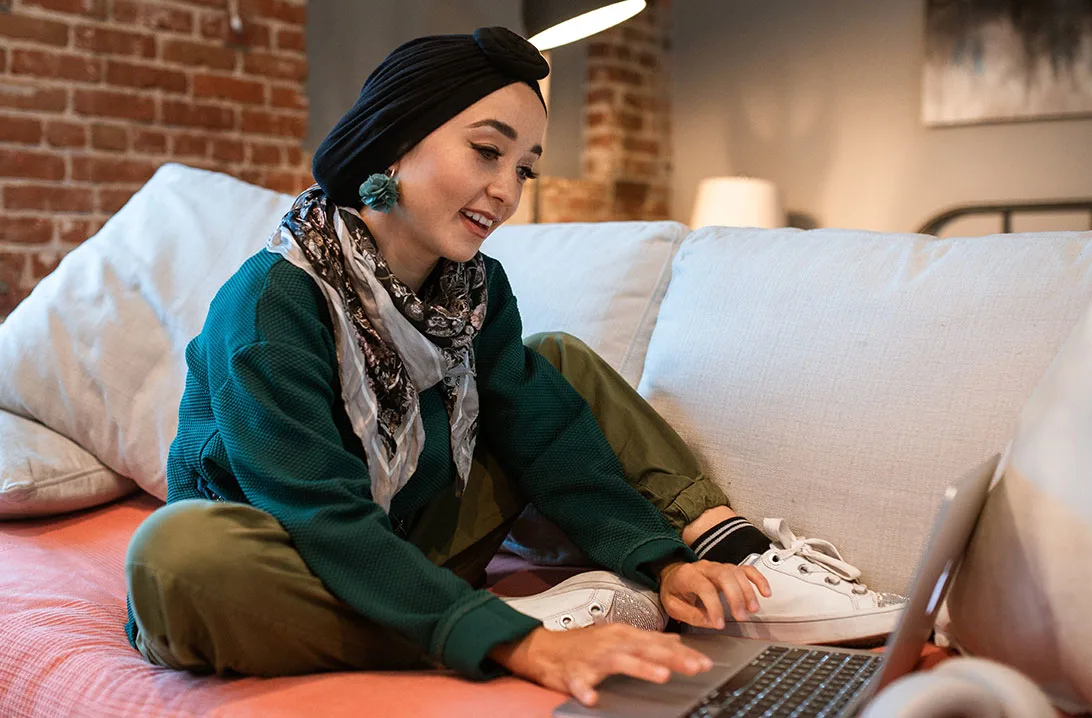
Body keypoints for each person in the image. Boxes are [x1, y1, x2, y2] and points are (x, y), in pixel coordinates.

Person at [124, 26, 902, 707]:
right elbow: (318, 514)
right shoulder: (270, 303)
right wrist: (523, 645)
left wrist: (657, 560)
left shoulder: (475, 288)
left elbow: (545, 434)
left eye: (524, 167)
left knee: (551, 366)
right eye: (487, 150)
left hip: (412, 537)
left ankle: (721, 549)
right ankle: (497, 626)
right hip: (286, 557)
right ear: (397, 137)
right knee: (174, 559)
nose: (506, 191)